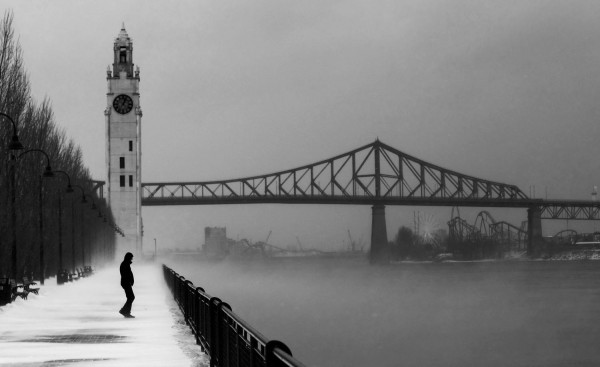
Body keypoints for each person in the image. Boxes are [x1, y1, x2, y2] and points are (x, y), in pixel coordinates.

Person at [119, 252, 135, 318]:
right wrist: (129, 281)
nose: (132, 259)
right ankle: (125, 311)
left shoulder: (125, 264)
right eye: (131, 258)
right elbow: (126, 274)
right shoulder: (125, 264)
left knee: (130, 297)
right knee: (131, 297)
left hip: (126, 282)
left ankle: (126, 311)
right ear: (128, 257)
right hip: (126, 283)